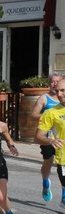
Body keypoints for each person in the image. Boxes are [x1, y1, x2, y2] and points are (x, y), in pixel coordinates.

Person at [31, 73, 62, 202]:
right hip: (47, 136)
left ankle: (64, 195)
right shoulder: (44, 98)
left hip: (62, 137)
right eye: (52, 82)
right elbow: (33, 115)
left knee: (62, 166)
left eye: (57, 82)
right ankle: (45, 181)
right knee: (48, 161)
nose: (54, 84)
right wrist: (48, 118)